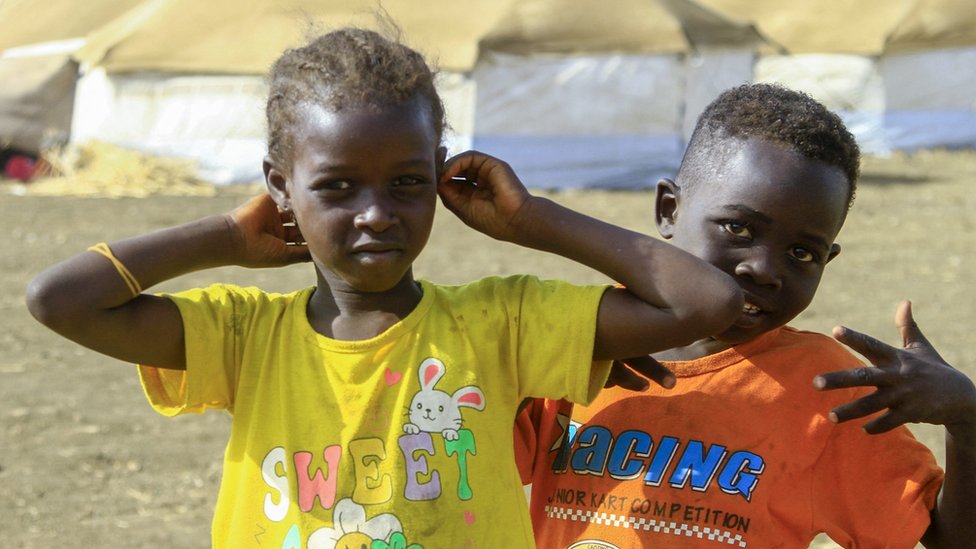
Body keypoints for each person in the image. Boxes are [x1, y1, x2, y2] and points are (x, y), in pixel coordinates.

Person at [24, 28, 743, 548]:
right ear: (280, 183)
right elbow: (58, 299)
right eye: (337, 187)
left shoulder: (502, 323)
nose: (376, 213)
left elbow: (705, 302)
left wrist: (532, 219)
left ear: (439, 173)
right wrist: (225, 238)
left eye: (406, 182)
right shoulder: (243, 336)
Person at [516, 83, 976, 548]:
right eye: (738, 228)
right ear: (669, 210)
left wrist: (967, 421)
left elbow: (947, 538)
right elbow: (476, 462)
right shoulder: (582, 338)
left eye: (801, 253)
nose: (764, 270)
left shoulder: (825, 389)